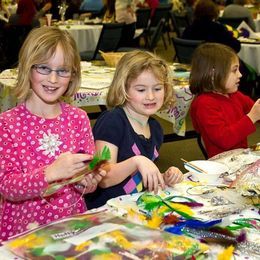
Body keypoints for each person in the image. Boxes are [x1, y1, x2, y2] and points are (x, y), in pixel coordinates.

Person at [0, 26, 106, 241]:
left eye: (63, 71)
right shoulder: (7, 124)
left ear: (72, 74)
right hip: (24, 230)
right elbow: (7, 187)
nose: (53, 80)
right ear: (28, 68)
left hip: (71, 225)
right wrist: (50, 173)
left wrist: (88, 180)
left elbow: (84, 178)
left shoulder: (78, 118)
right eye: (44, 68)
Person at [85, 50, 184, 209]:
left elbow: (139, 180)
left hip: (133, 208)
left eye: (157, 89)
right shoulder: (112, 121)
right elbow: (103, 177)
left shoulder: (155, 128)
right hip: (104, 211)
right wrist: (137, 161)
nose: (150, 96)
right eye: (141, 90)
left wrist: (163, 177)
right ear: (123, 89)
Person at [189, 42, 260, 158]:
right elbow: (224, 140)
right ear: (213, 73)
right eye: (234, 70)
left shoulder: (234, 95)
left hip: (240, 156)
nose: (240, 75)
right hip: (222, 163)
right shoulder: (204, 104)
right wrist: (252, 117)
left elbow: (255, 108)